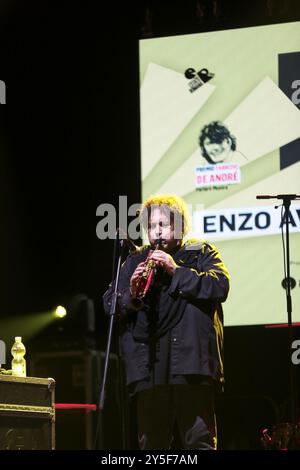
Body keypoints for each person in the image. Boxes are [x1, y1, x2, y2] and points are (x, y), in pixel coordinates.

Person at [103, 194, 230, 450]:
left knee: (199, 444)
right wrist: (130, 292)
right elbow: (109, 302)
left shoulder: (201, 252)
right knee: (152, 447)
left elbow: (220, 286)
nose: (156, 232)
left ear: (180, 226)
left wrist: (175, 270)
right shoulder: (135, 260)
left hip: (190, 365)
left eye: (163, 225)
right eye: (151, 226)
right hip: (148, 368)